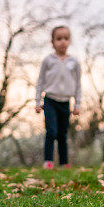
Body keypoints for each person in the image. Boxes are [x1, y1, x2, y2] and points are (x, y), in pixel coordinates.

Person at [35, 26, 81, 169]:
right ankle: (48, 161)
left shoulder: (74, 62)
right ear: (53, 41)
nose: (62, 42)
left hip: (65, 102)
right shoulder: (48, 60)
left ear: (70, 41)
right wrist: (37, 101)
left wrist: (77, 104)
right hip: (50, 100)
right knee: (51, 131)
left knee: (62, 133)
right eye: (59, 38)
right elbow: (40, 81)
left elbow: (78, 84)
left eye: (66, 38)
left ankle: (64, 163)